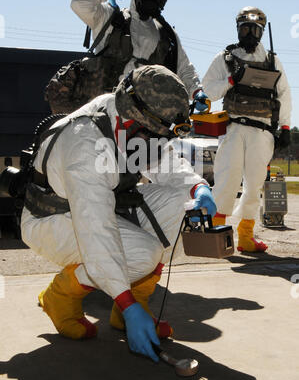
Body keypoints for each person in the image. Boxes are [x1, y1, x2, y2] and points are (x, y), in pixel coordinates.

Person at [21, 64, 216, 363]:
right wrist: (127, 304)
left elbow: (160, 158)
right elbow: (95, 230)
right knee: (143, 254)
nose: (160, 141)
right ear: (136, 123)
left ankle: (127, 310)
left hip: (108, 205)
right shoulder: (85, 145)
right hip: (56, 219)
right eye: (157, 134)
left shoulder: (129, 115)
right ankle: (60, 298)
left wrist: (197, 188)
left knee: (184, 207)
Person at [201, 6, 292, 252]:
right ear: (238, 29)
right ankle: (216, 235)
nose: (249, 33)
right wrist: (232, 79)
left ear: (261, 31)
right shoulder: (226, 58)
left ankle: (246, 236)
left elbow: (284, 94)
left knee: (254, 184)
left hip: (262, 132)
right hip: (233, 129)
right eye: (245, 28)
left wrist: (284, 126)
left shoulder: (272, 61)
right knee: (226, 180)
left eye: (254, 29)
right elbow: (207, 89)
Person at [53, 0, 201, 109]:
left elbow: (184, 68)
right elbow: (78, 3)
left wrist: (197, 92)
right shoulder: (110, 18)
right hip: (102, 109)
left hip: (143, 114)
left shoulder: (167, 34)